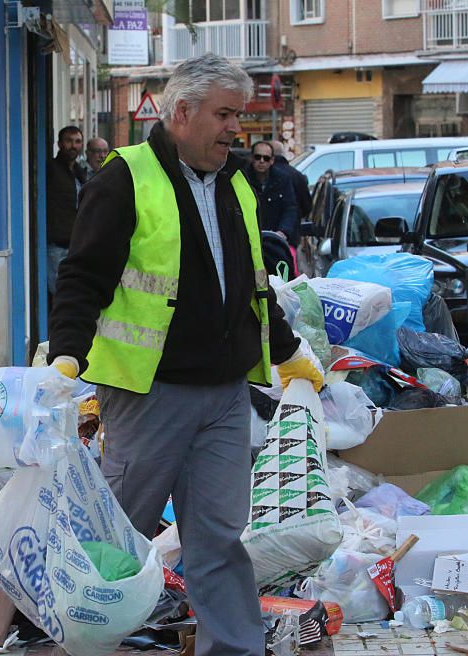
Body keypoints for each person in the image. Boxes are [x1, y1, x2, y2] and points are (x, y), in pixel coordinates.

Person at [46, 54, 323, 656]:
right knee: (121, 532)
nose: (234, 128)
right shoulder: (124, 179)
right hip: (150, 394)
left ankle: (236, 648)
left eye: (239, 115)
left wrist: (286, 350)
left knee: (220, 538)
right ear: (182, 112)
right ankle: (82, 638)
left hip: (225, 392)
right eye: (224, 114)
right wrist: (67, 354)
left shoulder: (235, 182)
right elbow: (82, 276)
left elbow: (252, 283)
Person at [45, 125, 87, 297]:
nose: (73, 146)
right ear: (59, 144)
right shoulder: (51, 169)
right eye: (69, 141)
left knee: (74, 292)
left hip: (76, 244)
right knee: (60, 293)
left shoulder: (79, 171)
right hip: (56, 244)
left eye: (77, 141)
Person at [245, 141, 298, 245]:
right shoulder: (243, 179)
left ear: (272, 160)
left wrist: (282, 232)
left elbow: (290, 208)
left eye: (266, 158)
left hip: (275, 240)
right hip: (248, 241)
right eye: (257, 157)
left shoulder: (283, 179)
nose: (261, 161)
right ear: (251, 158)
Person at [271, 140, 312, 225]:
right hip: (291, 231)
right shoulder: (296, 175)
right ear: (283, 154)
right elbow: (307, 206)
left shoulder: (263, 174)